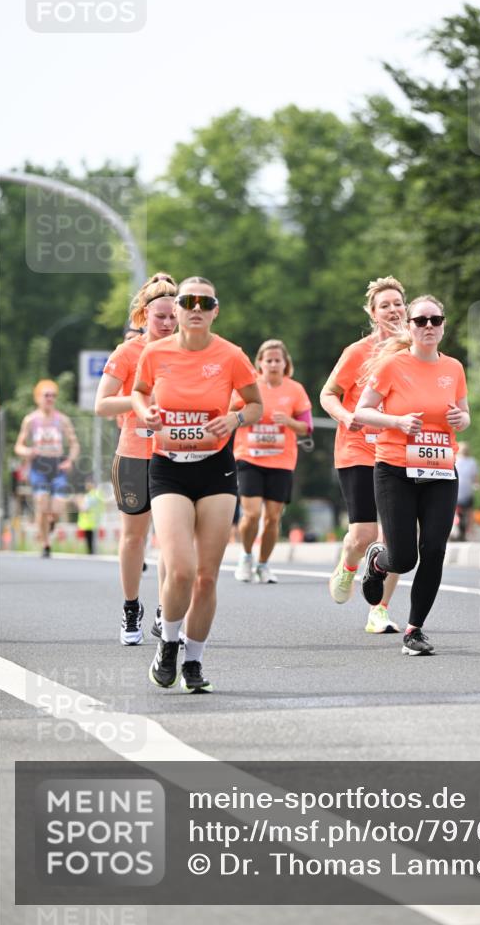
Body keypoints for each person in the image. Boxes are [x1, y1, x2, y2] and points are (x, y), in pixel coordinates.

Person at [131, 276, 262, 693]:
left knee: (207, 576)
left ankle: (194, 661)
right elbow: (138, 392)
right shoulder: (155, 353)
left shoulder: (231, 355)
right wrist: (145, 412)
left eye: (205, 302)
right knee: (182, 570)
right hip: (168, 466)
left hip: (215, 468)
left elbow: (256, 403)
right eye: (189, 301)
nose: (196, 308)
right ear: (180, 306)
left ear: (214, 310)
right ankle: (168, 643)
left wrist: (236, 418)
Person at [354, 294, 470, 656]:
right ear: (410, 327)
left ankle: (414, 629)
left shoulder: (454, 368)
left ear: (444, 325)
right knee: (404, 559)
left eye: (436, 320)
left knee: (434, 549)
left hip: (439, 470)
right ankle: (377, 561)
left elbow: (464, 416)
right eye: (421, 321)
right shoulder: (392, 366)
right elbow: (363, 411)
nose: (429, 326)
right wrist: (397, 422)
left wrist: (460, 420)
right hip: (394, 470)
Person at [95, 272, 178, 645]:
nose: (168, 323)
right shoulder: (127, 353)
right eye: (161, 316)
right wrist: (139, 402)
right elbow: (101, 404)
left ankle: (166, 609)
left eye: (173, 316)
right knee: (134, 538)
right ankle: (132, 608)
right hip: (133, 455)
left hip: (175, 454)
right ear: (144, 316)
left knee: (171, 539)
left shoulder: (187, 352)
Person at [319, 277, 405, 634]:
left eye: (398, 303)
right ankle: (349, 563)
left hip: (399, 451)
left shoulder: (414, 353)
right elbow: (328, 394)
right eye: (384, 305)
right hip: (358, 449)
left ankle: (379, 610)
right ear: (373, 313)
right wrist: (345, 417)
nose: (392, 310)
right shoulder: (358, 352)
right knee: (364, 534)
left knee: (398, 538)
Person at [233, 339, 312, 584]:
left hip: (281, 461)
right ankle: (246, 557)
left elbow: (307, 427)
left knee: (273, 518)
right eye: (269, 360)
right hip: (249, 456)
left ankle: (264, 564)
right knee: (252, 513)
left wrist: (288, 422)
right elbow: (230, 413)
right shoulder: (249, 386)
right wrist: (246, 417)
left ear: (285, 363)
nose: (274, 364)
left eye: (278, 360)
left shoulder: (295, 390)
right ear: (260, 363)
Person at [14, 380, 80, 557]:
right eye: (46, 395)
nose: (50, 399)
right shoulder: (31, 420)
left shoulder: (62, 420)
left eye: (53, 395)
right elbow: (18, 446)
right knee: (42, 504)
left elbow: (74, 444)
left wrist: (70, 460)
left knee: (58, 507)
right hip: (38, 466)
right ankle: (45, 543)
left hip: (57, 465)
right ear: (38, 398)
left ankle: (51, 522)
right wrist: (28, 451)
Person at [455, 441, 480, 541]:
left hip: (467, 492)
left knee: (468, 513)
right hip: (456, 491)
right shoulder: (454, 459)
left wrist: (477, 484)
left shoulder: (472, 462)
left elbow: (476, 476)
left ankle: (466, 532)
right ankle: (455, 531)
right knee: (455, 513)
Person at [77, 477, 106, 554]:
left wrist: (78, 502)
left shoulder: (91, 495)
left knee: (90, 542)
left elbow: (85, 508)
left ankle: (91, 553)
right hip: (94, 521)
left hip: (90, 522)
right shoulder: (98, 494)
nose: (86, 485)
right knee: (93, 541)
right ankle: (93, 552)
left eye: (87, 483)